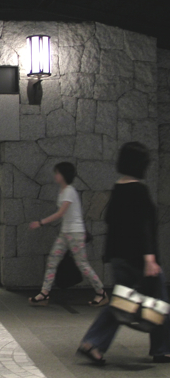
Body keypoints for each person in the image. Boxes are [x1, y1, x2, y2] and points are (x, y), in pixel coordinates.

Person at [77, 142, 170, 364]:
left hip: (120, 258)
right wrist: (150, 259)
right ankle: (162, 349)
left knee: (123, 302)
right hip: (139, 259)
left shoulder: (118, 189)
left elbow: (112, 222)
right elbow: (144, 227)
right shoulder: (139, 190)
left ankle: (93, 343)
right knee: (159, 302)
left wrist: (110, 255)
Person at [28, 162, 108, 307]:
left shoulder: (69, 191)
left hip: (75, 233)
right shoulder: (63, 190)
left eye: (57, 172)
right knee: (52, 261)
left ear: (64, 175)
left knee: (82, 265)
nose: (55, 175)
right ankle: (44, 293)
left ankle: (101, 293)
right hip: (66, 233)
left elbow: (60, 213)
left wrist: (40, 222)